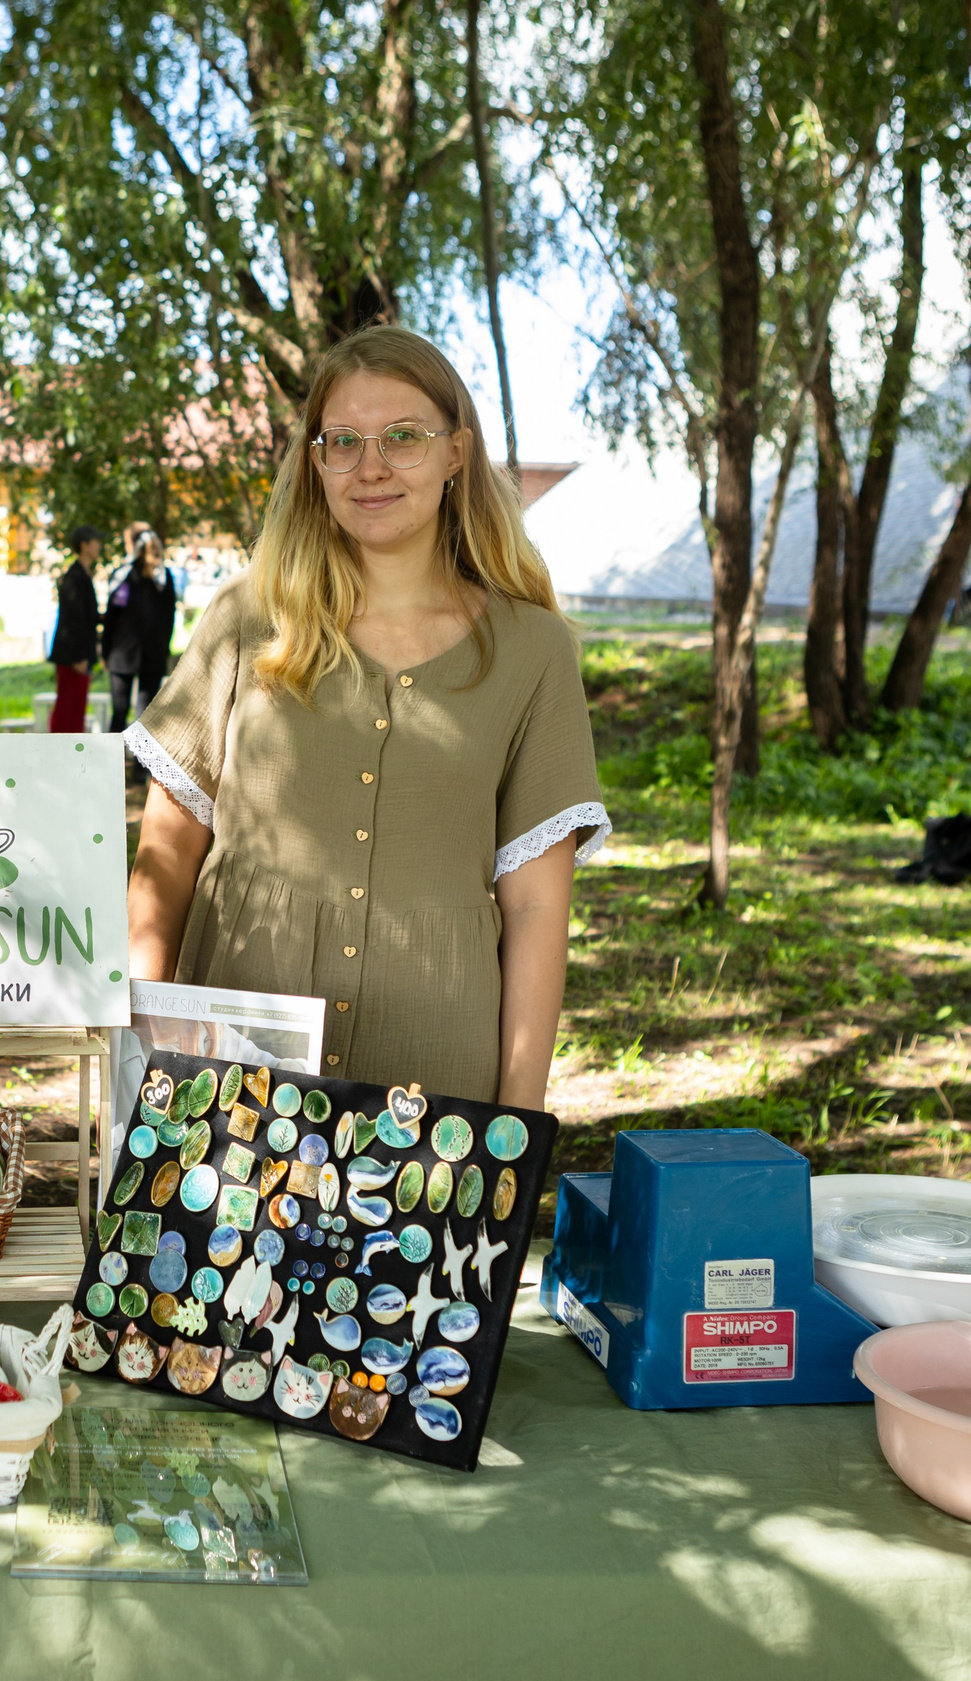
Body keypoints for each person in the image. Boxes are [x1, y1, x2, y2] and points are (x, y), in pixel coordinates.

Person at [123, 326, 609, 1109]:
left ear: (457, 453)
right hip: (233, 1080)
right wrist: (136, 1061)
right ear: (315, 464)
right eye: (342, 440)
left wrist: (514, 1130)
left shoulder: (533, 651)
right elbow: (166, 857)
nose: (370, 465)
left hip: (437, 1072)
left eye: (403, 437)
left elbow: (535, 905)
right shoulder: (247, 619)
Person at [103, 524, 177, 729]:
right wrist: (164, 648)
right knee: (145, 715)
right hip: (152, 655)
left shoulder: (124, 576)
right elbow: (170, 618)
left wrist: (105, 649)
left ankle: (112, 760)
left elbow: (111, 616)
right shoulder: (164, 578)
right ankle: (140, 762)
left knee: (119, 711)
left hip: (122, 654)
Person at [47, 526, 103, 732]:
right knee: (67, 710)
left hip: (80, 655)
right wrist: (78, 657)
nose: (99, 545)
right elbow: (72, 620)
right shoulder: (74, 577)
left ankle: (70, 754)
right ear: (84, 545)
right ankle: (60, 755)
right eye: (95, 541)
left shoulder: (84, 575)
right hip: (73, 658)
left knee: (76, 710)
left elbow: (88, 616)